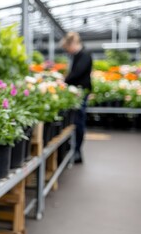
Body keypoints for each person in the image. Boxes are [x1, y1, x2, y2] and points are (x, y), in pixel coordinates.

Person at [61, 32, 92, 163]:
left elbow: (77, 73)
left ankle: (78, 151)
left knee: (79, 121)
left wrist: (64, 80)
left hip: (81, 92)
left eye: (68, 48)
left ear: (73, 43)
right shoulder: (77, 56)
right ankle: (74, 150)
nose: (68, 51)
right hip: (76, 92)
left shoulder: (84, 55)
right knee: (75, 120)